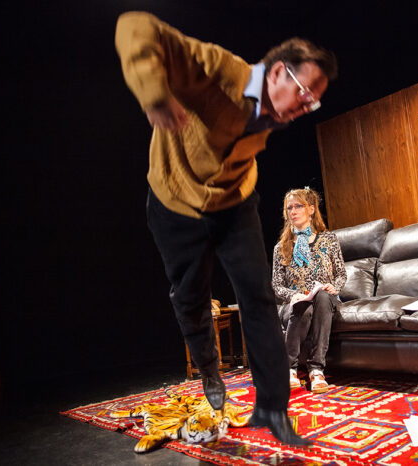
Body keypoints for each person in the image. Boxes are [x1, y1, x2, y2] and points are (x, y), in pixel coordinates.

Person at [114, 11, 337, 446]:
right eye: (303, 92)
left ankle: (272, 407)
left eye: (313, 102)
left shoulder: (274, 111)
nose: (304, 107)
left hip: (234, 198)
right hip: (176, 199)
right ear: (277, 72)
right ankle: (209, 372)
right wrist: (154, 94)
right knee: (191, 297)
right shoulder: (217, 71)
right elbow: (135, 26)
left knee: (257, 296)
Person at [272, 188, 347, 394]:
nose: (293, 211)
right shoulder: (281, 248)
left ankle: (316, 370)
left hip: (325, 299)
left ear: (311, 209)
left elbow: (341, 274)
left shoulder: (329, 239)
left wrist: (335, 286)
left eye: (298, 206)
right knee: (303, 306)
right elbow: (277, 285)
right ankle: (290, 369)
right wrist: (292, 295)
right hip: (295, 303)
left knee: (322, 295)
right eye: (289, 208)